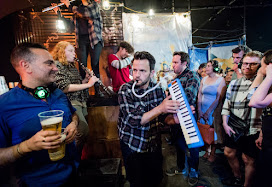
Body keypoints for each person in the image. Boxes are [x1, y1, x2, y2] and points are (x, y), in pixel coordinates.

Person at [0, 43, 80, 186]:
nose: (56, 68)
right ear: (26, 66)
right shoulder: (4, 105)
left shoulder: (58, 93)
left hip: (73, 175)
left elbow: (73, 115)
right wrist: (27, 146)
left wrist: (74, 123)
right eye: (49, 63)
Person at [118, 51, 180, 187]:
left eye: (142, 70)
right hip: (133, 146)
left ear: (152, 73)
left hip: (153, 146)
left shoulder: (157, 90)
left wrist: (175, 119)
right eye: (134, 70)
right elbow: (133, 120)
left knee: (155, 180)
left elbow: (163, 117)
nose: (137, 75)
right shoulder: (125, 90)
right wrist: (161, 108)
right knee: (137, 182)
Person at [221, 51, 263, 187]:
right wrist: (224, 123)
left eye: (253, 64)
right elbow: (227, 104)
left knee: (248, 159)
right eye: (245, 63)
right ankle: (237, 177)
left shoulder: (264, 84)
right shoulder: (233, 83)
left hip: (252, 128)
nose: (248, 67)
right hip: (233, 125)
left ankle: (247, 184)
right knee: (228, 152)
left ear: (260, 66)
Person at [51, 41, 99, 151]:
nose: (74, 54)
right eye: (71, 51)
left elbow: (76, 85)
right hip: (71, 102)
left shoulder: (71, 66)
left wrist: (86, 80)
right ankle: (70, 156)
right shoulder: (57, 65)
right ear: (62, 52)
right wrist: (89, 84)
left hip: (80, 101)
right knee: (82, 130)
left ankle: (77, 159)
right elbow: (64, 87)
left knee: (84, 133)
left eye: (74, 51)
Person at [165, 51, 201, 186]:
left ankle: (194, 170)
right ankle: (181, 167)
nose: (172, 65)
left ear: (184, 63)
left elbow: (188, 97)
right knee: (178, 143)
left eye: (175, 62)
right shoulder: (175, 78)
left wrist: (170, 100)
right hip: (176, 117)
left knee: (192, 146)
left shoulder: (193, 75)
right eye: (172, 62)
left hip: (188, 116)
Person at [249, 49, 272, 187]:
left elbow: (255, 102)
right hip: (269, 142)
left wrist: (268, 76)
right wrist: (262, 134)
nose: (260, 70)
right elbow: (268, 112)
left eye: (262, 66)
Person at [60, 0, 103, 96]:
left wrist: (69, 6)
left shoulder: (94, 6)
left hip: (94, 40)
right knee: (82, 67)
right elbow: (69, 27)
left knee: (95, 65)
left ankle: (98, 91)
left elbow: (87, 13)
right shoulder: (77, 9)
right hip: (81, 41)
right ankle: (84, 92)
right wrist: (59, 13)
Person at [197, 60, 226, 162]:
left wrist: (209, 111)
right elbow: (200, 95)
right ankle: (206, 150)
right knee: (204, 129)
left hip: (214, 109)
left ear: (214, 68)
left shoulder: (220, 80)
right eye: (206, 66)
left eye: (209, 66)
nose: (206, 68)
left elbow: (218, 98)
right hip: (203, 108)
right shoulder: (203, 79)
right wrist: (199, 109)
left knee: (213, 131)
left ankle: (212, 153)